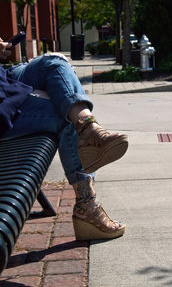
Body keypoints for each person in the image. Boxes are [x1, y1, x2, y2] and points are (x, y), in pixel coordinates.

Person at [0, 38, 128, 240]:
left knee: (54, 61)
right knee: (65, 113)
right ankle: (87, 206)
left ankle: (89, 126)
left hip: (5, 77)